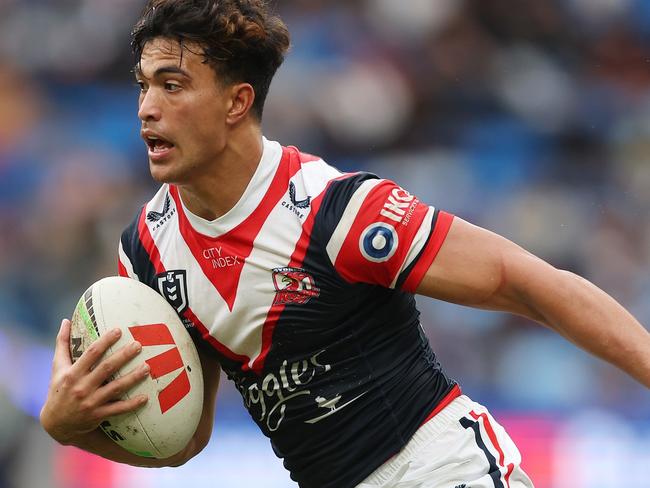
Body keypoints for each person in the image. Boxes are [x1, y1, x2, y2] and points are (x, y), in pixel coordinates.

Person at [40, 1, 650, 487]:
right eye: (143, 85)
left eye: (172, 86)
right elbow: (182, 440)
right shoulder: (148, 254)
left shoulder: (338, 212)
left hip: (441, 472)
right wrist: (70, 427)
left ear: (237, 102)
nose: (147, 108)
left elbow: (526, 282)